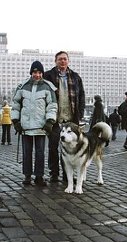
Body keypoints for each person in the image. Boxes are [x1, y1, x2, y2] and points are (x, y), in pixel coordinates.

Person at [11, 60, 58, 186]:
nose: (37, 75)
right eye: (35, 72)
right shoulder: (22, 86)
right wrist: (15, 121)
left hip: (40, 127)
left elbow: (52, 106)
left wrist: (50, 121)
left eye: (39, 72)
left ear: (42, 73)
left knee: (40, 153)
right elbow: (16, 105)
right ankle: (27, 176)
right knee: (27, 153)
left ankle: (39, 176)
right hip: (25, 127)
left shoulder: (48, 87)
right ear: (31, 73)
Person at [44, 51, 86, 182]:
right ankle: (54, 173)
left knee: (68, 148)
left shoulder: (75, 77)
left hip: (71, 119)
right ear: (55, 61)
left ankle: (67, 175)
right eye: (60, 59)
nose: (62, 61)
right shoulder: (48, 76)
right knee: (53, 147)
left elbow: (81, 96)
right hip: (54, 119)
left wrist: (80, 114)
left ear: (68, 61)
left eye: (65, 59)